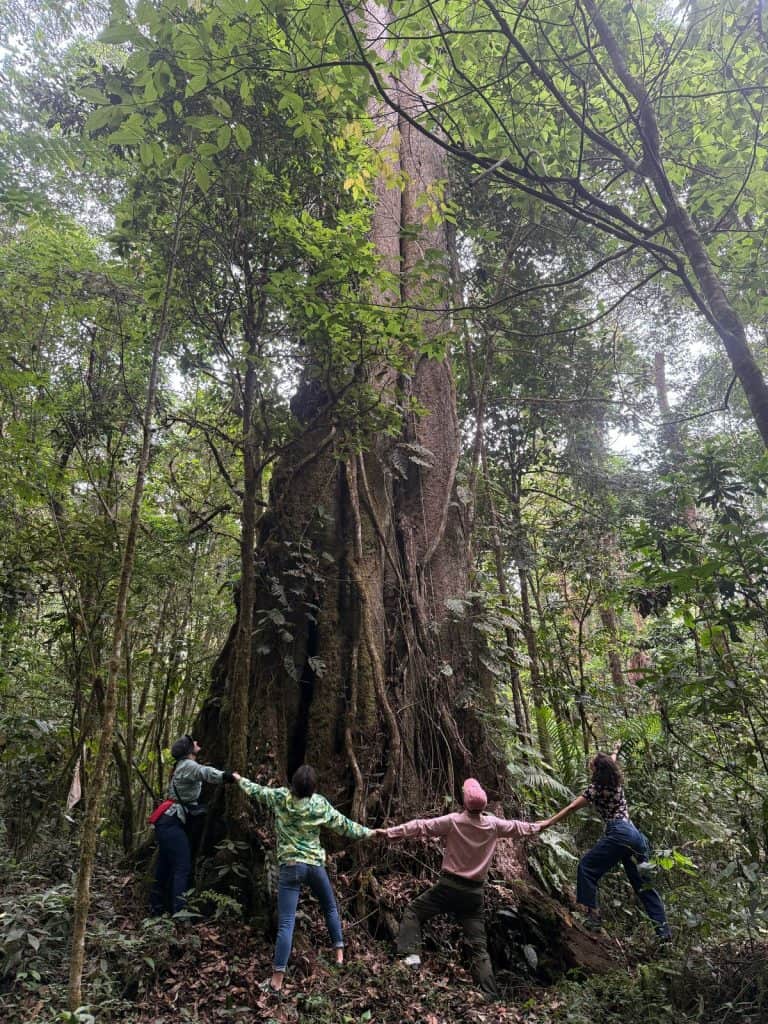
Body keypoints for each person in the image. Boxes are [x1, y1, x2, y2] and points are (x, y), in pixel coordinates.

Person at [376, 778, 544, 1002]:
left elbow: (420, 826)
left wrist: (389, 833)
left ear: (465, 801)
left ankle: (411, 956)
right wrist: (542, 825)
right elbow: (519, 828)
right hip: (474, 895)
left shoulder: (454, 821)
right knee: (478, 946)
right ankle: (489, 993)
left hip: (448, 888)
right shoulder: (493, 825)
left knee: (414, 912)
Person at [233, 764, 373, 994]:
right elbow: (344, 826)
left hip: (290, 867)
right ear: (312, 788)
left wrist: (239, 778)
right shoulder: (319, 804)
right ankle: (339, 955)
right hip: (314, 866)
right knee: (329, 907)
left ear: (293, 784)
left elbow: (256, 790)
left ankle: (277, 980)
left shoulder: (281, 797)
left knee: (286, 923)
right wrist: (369, 832)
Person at [539, 741, 671, 941]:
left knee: (586, 867)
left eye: (592, 765)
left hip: (619, 833)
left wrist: (548, 822)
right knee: (645, 887)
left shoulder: (595, 789)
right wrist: (615, 750)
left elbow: (572, 808)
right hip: (637, 836)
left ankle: (594, 917)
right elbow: (612, 760)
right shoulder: (615, 782)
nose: (589, 767)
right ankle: (664, 935)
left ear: (597, 770)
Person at [150, 734, 235, 915]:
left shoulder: (181, 766)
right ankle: (180, 914)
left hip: (166, 822)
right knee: (182, 866)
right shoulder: (188, 765)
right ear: (188, 750)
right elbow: (205, 773)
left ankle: (156, 909)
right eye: (193, 743)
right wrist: (227, 776)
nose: (197, 743)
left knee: (165, 866)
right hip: (171, 823)